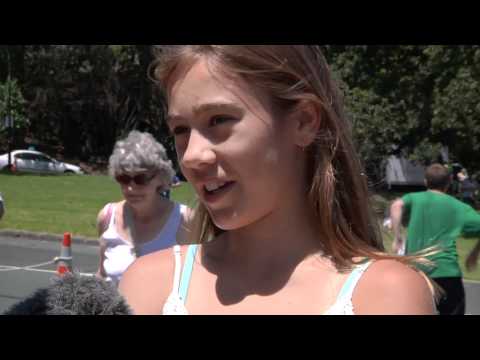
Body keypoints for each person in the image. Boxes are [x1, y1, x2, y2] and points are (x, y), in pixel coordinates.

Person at [119, 45, 436, 315]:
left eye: (219, 120)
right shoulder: (151, 287)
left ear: (303, 121)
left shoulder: (382, 295)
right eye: (181, 130)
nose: (191, 156)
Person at [96, 130, 191, 287]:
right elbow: (102, 275)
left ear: (161, 177)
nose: (131, 188)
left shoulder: (185, 219)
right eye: (123, 178)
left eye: (141, 179)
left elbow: (196, 281)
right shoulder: (107, 216)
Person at [390, 163, 480, 315]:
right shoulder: (458, 206)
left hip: (418, 273)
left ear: (425, 181)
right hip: (447, 274)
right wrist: (475, 253)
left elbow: (397, 205)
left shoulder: (415, 198)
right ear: (449, 182)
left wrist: (397, 237)